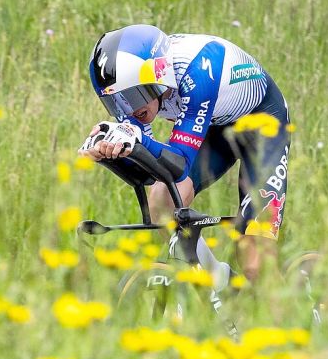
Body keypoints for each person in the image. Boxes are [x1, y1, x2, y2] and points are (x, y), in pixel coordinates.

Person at [78, 24, 290, 286]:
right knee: (161, 199)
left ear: (158, 75)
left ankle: (303, 319)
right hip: (213, 127)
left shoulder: (199, 70)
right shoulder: (140, 91)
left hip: (264, 127)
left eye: (131, 96)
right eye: (115, 102)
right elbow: (150, 174)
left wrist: (138, 140)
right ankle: (221, 288)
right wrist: (112, 153)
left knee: (255, 260)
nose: (127, 110)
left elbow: (179, 164)